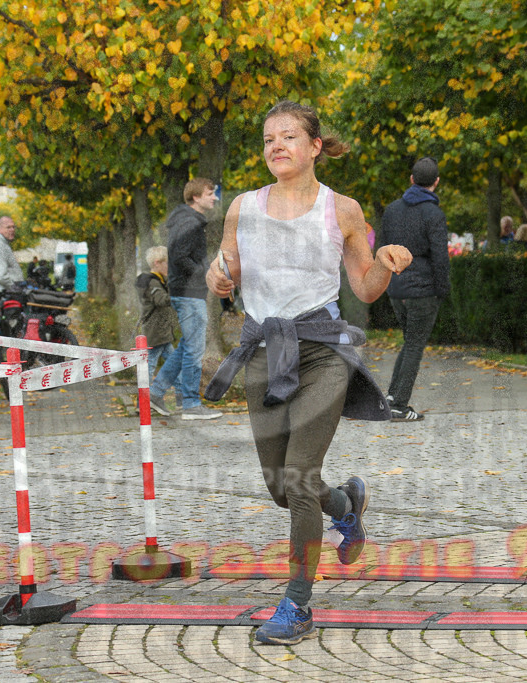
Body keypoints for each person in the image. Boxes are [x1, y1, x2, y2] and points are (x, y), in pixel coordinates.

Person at [204, 100, 412, 645]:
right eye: (269, 138)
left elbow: (363, 286)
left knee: (298, 477)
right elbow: (226, 269)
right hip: (262, 352)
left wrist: (385, 267)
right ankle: (346, 504)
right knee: (280, 485)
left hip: (321, 350)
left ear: (315, 146)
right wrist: (218, 279)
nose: (276, 145)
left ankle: (297, 605)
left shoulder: (342, 209)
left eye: (289, 136)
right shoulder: (242, 208)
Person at [380, 156, 450, 422]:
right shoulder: (434, 214)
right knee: (415, 345)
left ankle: (390, 397)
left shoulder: (392, 210)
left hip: (396, 288)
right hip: (423, 289)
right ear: (436, 182)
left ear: (411, 180)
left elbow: (383, 250)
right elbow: (440, 257)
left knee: (409, 341)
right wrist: (442, 290)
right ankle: (399, 404)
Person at [148, 178, 223, 420]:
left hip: (188, 292)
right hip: (189, 293)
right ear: (196, 197)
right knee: (194, 349)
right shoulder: (188, 222)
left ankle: (156, 393)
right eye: (210, 193)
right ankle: (191, 404)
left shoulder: (188, 221)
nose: (214, 197)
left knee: (187, 348)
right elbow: (179, 256)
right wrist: (204, 273)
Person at [136, 246, 177, 383]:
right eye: (167, 263)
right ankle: (143, 400)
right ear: (157, 263)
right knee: (150, 366)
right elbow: (162, 300)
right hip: (156, 332)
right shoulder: (153, 282)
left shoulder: (157, 280)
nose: (169, 266)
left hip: (161, 332)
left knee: (174, 365)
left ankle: (182, 398)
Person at [0, 216, 24, 291]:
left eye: (13, 227)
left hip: (7, 293)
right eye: (8, 227)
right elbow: (0, 277)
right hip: (5, 295)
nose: (12, 230)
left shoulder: (3, 243)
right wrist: (16, 289)